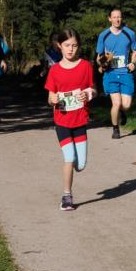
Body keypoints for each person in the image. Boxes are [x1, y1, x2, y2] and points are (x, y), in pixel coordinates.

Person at [45, 28, 96, 210]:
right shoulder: (55, 70)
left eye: (74, 45)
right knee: (69, 157)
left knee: (80, 164)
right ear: (60, 46)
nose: (70, 49)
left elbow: (93, 89)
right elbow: (50, 97)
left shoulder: (86, 66)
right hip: (62, 122)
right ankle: (67, 196)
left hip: (80, 121)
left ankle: (74, 166)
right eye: (67, 45)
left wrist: (88, 95)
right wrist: (53, 99)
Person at [95, 7, 136, 139]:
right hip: (111, 74)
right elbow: (98, 57)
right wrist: (103, 62)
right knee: (116, 103)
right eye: (114, 17)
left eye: (119, 17)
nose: (117, 19)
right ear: (109, 19)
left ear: (122, 18)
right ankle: (115, 129)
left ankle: (121, 113)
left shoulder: (129, 34)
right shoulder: (104, 35)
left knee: (126, 105)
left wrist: (133, 63)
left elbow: (135, 52)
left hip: (125, 73)